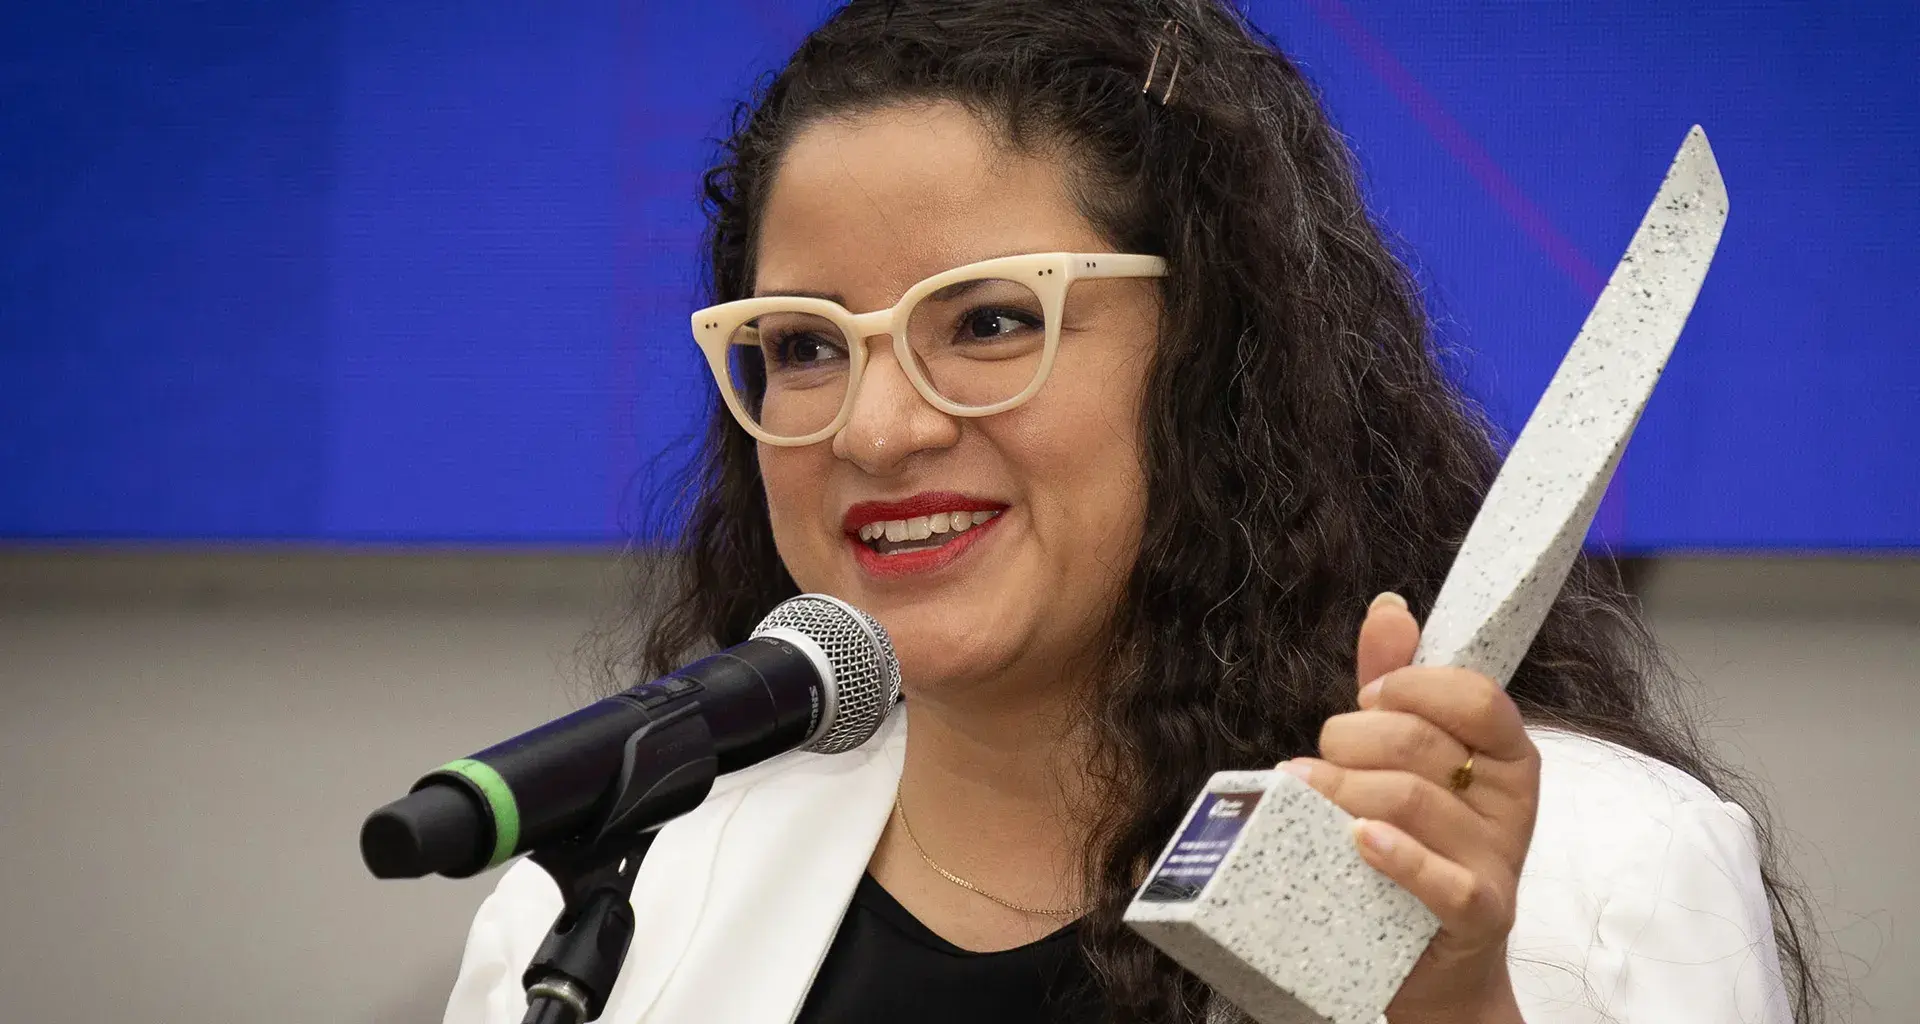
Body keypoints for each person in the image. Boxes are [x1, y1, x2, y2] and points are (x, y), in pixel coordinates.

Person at [444, 1, 1821, 1021]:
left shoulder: (1598, 872)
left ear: (1216, 358)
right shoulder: (603, 912)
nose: (875, 427)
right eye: (805, 344)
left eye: (987, 322)